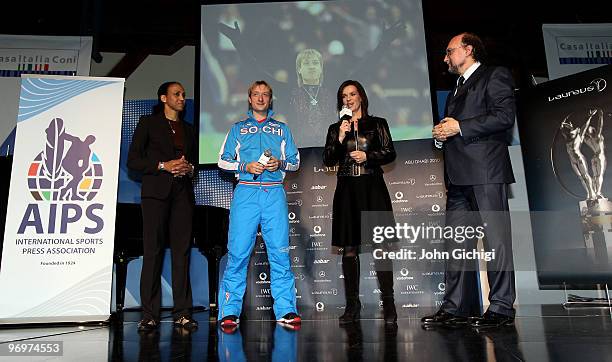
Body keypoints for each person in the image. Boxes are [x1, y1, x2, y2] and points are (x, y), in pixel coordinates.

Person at [425, 32, 516, 328]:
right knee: (455, 245)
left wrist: (460, 127)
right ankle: (455, 308)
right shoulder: (455, 89)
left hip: (486, 172)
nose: (445, 58)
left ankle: (501, 306)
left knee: (496, 242)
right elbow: (454, 130)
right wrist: (442, 137)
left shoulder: (494, 76)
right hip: (458, 177)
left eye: (449, 51)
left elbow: (504, 117)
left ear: (468, 49)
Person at [217, 80, 301, 330]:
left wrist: (281, 164)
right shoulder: (238, 129)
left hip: (274, 194)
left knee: (280, 253)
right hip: (246, 194)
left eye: (265, 95)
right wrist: (245, 166)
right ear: (250, 99)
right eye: (256, 94)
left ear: (270, 99)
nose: (261, 98)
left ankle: (286, 310)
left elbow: (295, 162)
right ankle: (229, 312)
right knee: (238, 254)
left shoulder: (282, 129)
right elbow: (223, 161)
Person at [323, 80, 397, 325]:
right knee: (349, 248)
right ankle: (352, 304)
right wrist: (341, 136)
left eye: (352, 94)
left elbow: (390, 152)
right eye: (344, 96)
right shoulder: (336, 128)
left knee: (380, 247)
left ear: (361, 97)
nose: (348, 99)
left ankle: (389, 304)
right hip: (346, 190)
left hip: (372, 187)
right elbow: (328, 159)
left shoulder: (378, 123)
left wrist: (368, 156)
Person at [127, 81, 198, 331]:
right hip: (156, 194)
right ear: (163, 98)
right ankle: (150, 315)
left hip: (182, 195)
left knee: (182, 254)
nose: (182, 98)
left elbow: (194, 164)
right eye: (177, 94)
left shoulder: (189, 129)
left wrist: (190, 169)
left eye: (183, 94)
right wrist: (162, 165)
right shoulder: (148, 123)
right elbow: (133, 160)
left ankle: (183, 313)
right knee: (153, 253)